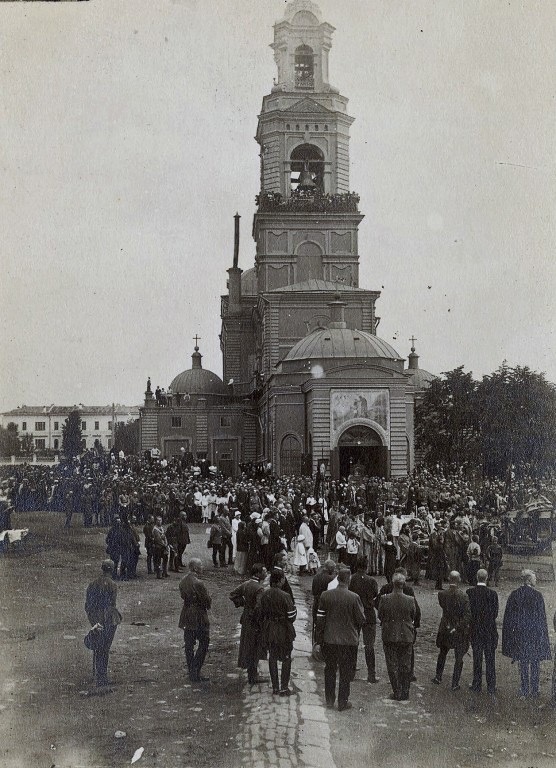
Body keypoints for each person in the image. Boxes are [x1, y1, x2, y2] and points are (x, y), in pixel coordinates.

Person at [315, 568, 366, 711]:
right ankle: (343, 702)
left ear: (337, 578)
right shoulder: (354, 597)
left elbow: (320, 619)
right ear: (349, 580)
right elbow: (361, 619)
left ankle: (329, 700)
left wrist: (319, 640)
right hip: (348, 641)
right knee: (345, 672)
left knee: (330, 670)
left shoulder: (325, 595)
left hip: (330, 639)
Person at [502, 569, 551, 698]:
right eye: (534, 578)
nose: (536, 580)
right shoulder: (538, 595)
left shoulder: (515, 594)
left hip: (520, 633)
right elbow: (542, 618)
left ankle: (524, 689)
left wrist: (511, 634)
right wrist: (542, 635)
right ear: (529, 580)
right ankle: (534, 690)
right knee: (535, 661)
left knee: (523, 661)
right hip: (534, 634)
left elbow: (509, 617)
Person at [375, 567, 421, 682]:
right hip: (406, 627)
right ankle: (409, 673)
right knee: (408, 652)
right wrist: (415, 624)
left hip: (390, 626)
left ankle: (395, 677)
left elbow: (377, 604)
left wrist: (385, 618)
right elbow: (415, 610)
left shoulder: (386, 588)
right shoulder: (408, 590)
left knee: (392, 655)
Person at [259, 569, 297, 696]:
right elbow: (291, 616)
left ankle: (275, 687)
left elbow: (261, 612)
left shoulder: (265, 594)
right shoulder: (285, 596)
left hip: (270, 629)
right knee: (286, 657)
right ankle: (284, 688)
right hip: (283, 629)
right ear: (280, 580)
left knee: (272, 657)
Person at [229, 563, 268, 687]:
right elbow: (259, 607)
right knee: (255, 647)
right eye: (264, 571)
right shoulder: (260, 589)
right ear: (258, 573)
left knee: (248, 645)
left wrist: (243, 603)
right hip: (255, 622)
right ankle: (253, 675)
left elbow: (232, 594)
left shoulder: (246, 584)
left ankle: (252, 673)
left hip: (246, 618)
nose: (266, 573)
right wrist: (258, 619)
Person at [85, 560, 122, 687]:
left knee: (98, 646)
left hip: (96, 618)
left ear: (102, 568)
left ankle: (99, 674)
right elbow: (112, 604)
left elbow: (88, 605)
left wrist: (93, 620)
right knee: (105, 648)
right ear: (112, 569)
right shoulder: (113, 585)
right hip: (109, 619)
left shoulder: (92, 584)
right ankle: (102, 676)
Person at [432, 571, 470, 691]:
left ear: (449, 579)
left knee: (442, 653)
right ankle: (455, 683)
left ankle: (438, 677)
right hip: (458, 629)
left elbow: (444, 607)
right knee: (459, 657)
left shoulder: (442, 594)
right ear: (459, 580)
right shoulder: (463, 596)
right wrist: (458, 626)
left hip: (445, 626)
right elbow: (467, 615)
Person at [178, 559, 211, 683]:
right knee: (204, 641)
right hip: (198, 615)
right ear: (195, 568)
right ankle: (195, 670)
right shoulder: (199, 583)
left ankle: (191, 670)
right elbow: (206, 601)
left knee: (189, 644)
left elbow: (183, 596)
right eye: (201, 565)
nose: (202, 567)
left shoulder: (183, 580)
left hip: (186, 613)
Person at [466, 568, 498, 695]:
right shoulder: (493, 594)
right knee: (490, 659)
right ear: (487, 578)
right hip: (489, 630)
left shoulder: (470, 592)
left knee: (477, 658)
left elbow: (468, 612)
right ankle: (491, 686)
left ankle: (477, 684)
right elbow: (495, 613)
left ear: (476, 577)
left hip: (475, 629)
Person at [349, 555, 379, 683]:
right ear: (366, 566)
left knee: (353, 643)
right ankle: (371, 675)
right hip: (368, 613)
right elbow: (375, 594)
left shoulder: (352, 579)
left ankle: (350, 673)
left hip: (355, 613)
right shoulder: (371, 581)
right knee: (369, 645)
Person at [311, 560, 336, 641]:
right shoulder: (331, 579)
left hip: (316, 604)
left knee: (317, 627)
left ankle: (316, 644)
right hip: (325, 606)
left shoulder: (316, 577)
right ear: (330, 569)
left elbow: (313, 591)